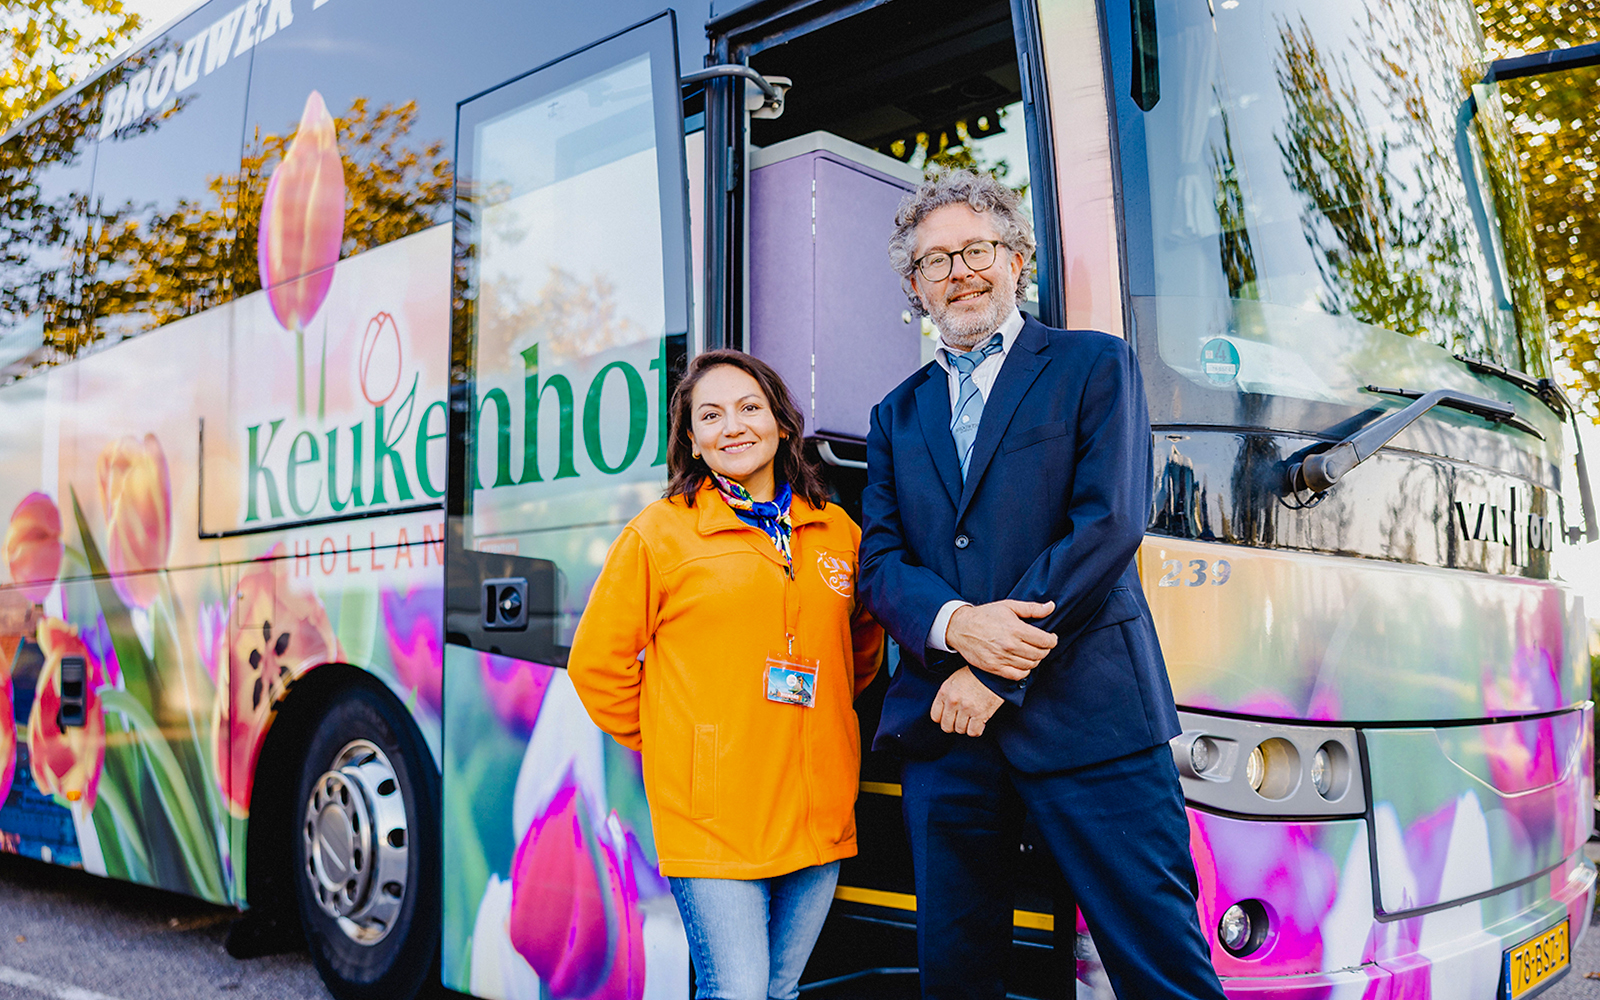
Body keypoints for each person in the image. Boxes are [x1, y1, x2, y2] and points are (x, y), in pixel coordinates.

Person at [859, 170, 1227, 1000]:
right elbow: (880, 565)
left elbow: (1108, 527)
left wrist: (994, 671)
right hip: (947, 732)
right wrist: (956, 626)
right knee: (957, 979)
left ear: (1017, 258)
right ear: (915, 286)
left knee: (1161, 967)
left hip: (1090, 717)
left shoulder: (1094, 364)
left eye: (977, 250)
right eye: (935, 261)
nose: (959, 272)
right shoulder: (894, 415)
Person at [569, 349, 884, 1000]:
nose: (732, 426)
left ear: (782, 423)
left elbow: (860, 645)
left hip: (818, 810)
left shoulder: (837, 531)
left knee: (780, 990)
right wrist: (683, 747)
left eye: (748, 408)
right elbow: (596, 663)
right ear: (692, 439)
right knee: (736, 991)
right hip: (714, 819)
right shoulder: (661, 533)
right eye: (710, 416)